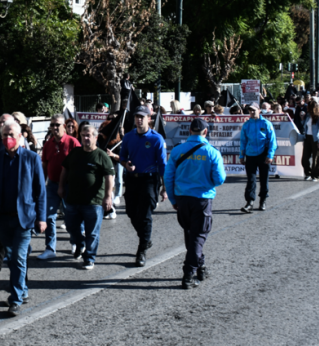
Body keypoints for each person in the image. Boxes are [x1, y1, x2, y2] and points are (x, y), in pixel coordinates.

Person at [0, 120, 45, 316]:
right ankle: (22, 290)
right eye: (4, 135)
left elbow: (40, 191)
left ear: (20, 136)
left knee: (17, 257)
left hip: (23, 219)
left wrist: (42, 217)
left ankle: (15, 299)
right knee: (13, 258)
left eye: (11, 135)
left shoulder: (31, 158)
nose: (8, 138)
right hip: (2, 219)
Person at [164, 118, 226, 290]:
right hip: (202, 199)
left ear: (190, 131)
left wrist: (173, 199)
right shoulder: (212, 152)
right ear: (205, 132)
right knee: (198, 236)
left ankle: (201, 267)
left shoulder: (177, 150)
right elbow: (220, 179)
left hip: (182, 199)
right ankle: (188, 275)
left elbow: (168, 177)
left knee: (191, 235)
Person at [58, 123, 115, 270]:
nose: (85, 138)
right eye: (83, 135)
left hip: (93, 201)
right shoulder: (75, 153)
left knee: (92, 233)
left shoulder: (101, 155)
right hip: (73, 199)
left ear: (95, 137)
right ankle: (79, 243)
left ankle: (89, 258)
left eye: (88, 135)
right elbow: (65, 169)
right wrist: (61, 186)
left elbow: (109, 177)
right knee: (70, 227)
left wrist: (108, 197)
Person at [118, 106, 167, 267]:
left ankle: (141, 250)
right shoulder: (128, 137)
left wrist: (165, 188)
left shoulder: (156, 138)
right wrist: (126, 164)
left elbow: (163, 165)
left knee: (145, 215)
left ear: (149, 119)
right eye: (137, 117)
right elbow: (122, 157)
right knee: (131, 212)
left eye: (142, 117)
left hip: (149, 180)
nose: (139, 120)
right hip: (132, 179)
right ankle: (146, 239)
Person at [40, 114, 79, 259]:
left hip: (70, 186)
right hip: (52, 185)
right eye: (52, 125)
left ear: (64, 126)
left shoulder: (73, 142)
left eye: (57, 125)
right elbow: (44, 165)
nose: (54, 127)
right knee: (49, 216)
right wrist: (41, 186)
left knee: (71, 217)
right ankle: (50, 248)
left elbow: (80, 164)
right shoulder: (48, 144)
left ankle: (76, 242)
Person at [239, 104, 277, 212]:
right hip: (250, 155)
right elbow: (243, 141)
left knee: (264, 179)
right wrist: (241, 155)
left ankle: (263, 200)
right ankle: (249, 202)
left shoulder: (266, 123)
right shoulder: (246, 125)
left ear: (259, 110)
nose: (251, 112)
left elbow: (272, 141)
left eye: (253, 110)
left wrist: (270, 155)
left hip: (263, 154)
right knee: (251, 180)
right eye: (250, 110)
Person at [300, 99, 319, 181]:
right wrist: (302, 119)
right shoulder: (308, 115)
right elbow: (304, 126)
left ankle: (316, 176)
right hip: (307, 137)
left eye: (309, 107)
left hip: (316, 139)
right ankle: (308, 173)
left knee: (316, 158)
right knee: (304, 158)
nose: (307, 109)